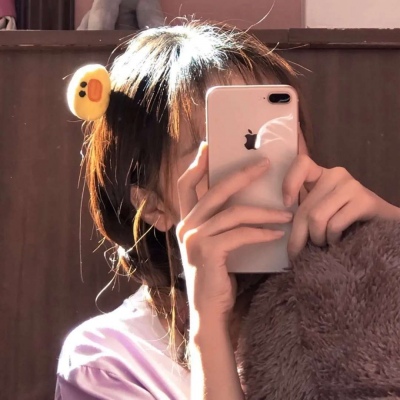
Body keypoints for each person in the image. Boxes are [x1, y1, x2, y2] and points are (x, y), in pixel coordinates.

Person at [55, 21, 400, 400]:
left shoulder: (344, 293)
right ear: (153, 205)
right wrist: (209, 329)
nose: (257, 166)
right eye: (221, 145)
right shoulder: (106, 362)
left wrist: (391, 241)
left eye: (273, 133)